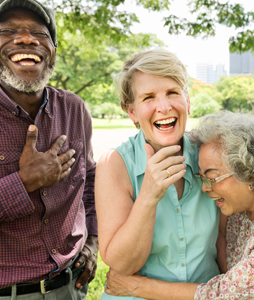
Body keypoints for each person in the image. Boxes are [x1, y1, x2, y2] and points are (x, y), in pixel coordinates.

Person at [95, 50, 226, 300]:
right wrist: (148, 195)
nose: (164, 107)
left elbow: (224, 240)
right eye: (148, 97)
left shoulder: (210, 154)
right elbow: (122, 267)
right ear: (131, 111)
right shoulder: (114, 164)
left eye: (172, 93)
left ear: (187, 101)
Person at [0, 0, 98, 299]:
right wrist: (24, 182)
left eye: (38, 33)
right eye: (8, 30)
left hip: (70, 287)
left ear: (53, 50)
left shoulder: (73, 109)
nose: (26, 39)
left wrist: (93, 242)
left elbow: (90, 183)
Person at [105, 110, 254, 299]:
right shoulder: (238, 211)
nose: (205, 188)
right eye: (202, 178)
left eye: (212, 177)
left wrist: (137, 287)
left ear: (248, 172)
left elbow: (226, 293)